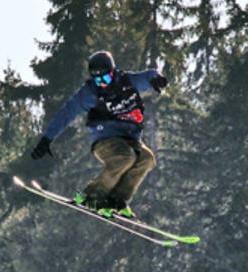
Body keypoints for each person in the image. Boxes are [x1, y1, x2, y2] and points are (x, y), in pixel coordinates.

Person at [30, 50, 169, 218]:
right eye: (98, 80)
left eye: (106, 78)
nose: (102, 83)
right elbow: (66, 113)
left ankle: (116, 200)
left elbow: (147, 76)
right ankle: (93, 196)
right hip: (105, 139)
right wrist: (47, 139)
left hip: (130, 138)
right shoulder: (90, 93)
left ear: (113, 72)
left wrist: (156, 78)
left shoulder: (127, 82)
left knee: (146, 159)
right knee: (125, 157)